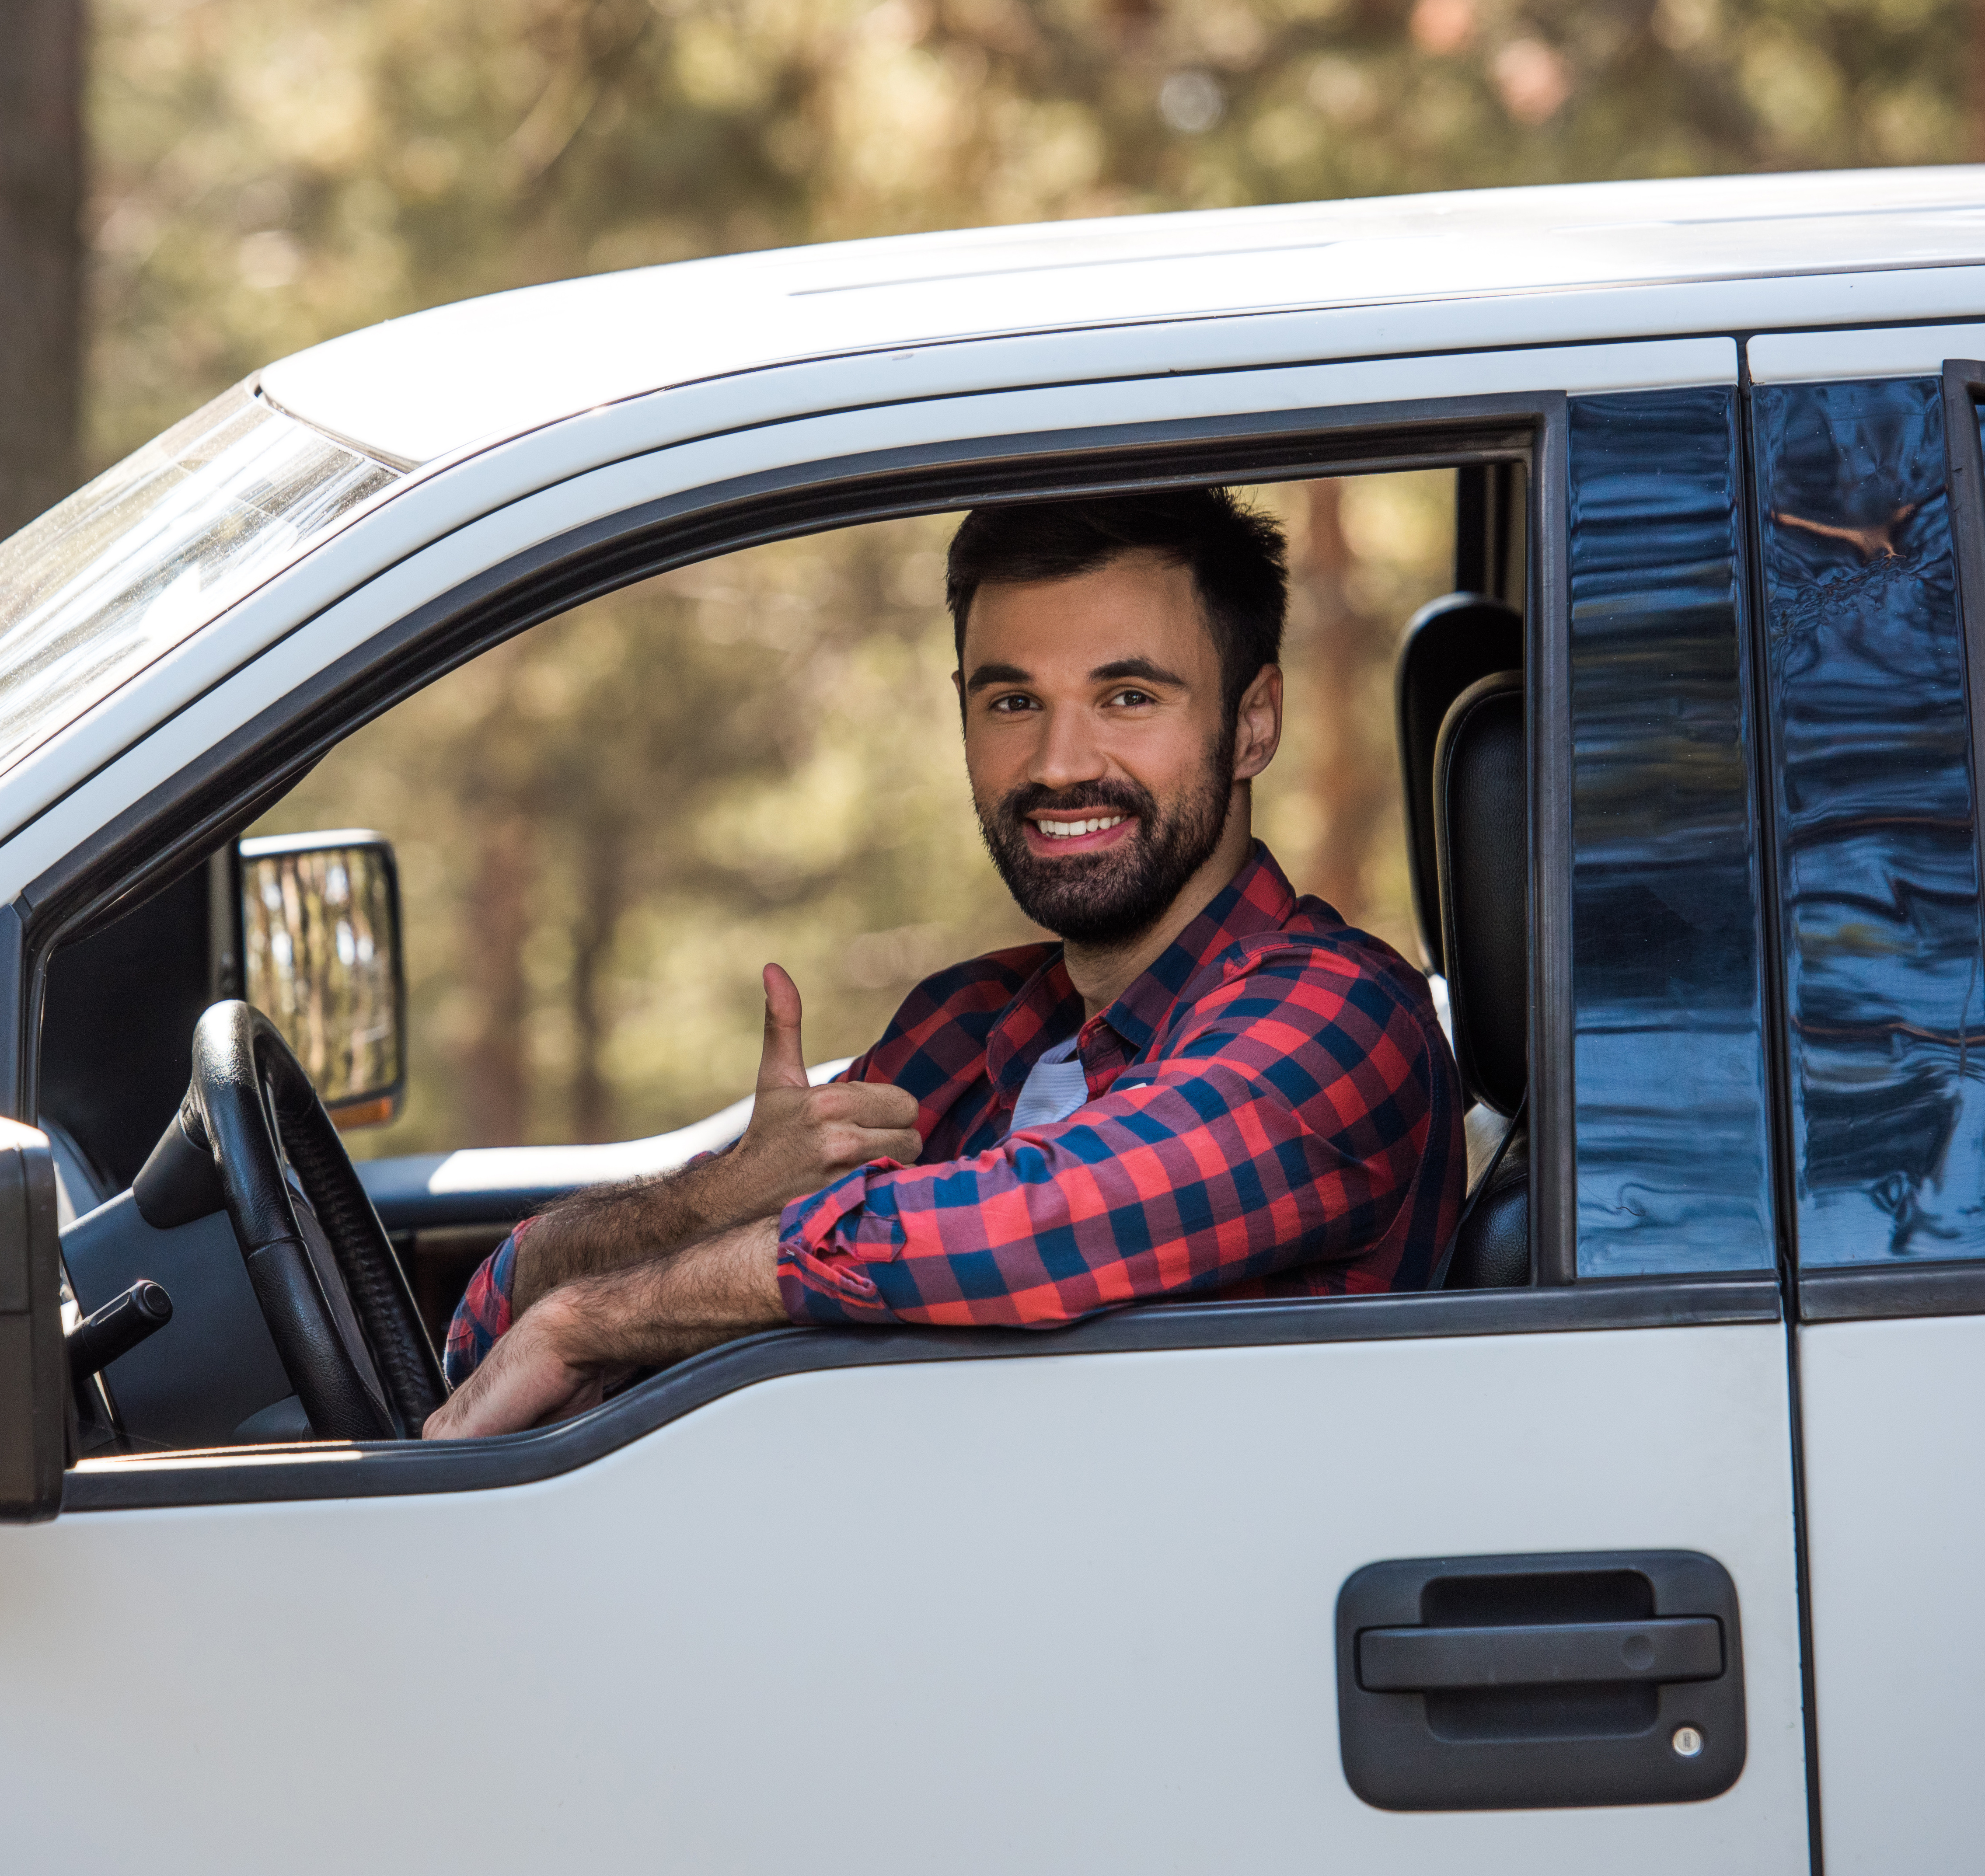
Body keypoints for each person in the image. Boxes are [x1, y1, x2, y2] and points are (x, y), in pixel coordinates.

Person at [422, 487, 1465, 1440]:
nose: (1059, 766)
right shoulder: (974, 1022)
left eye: (1128, 698)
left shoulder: (1338, 1017)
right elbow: (487, 1327)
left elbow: (1031, 1227)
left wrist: (602, 1320)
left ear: (1252, 722)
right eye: (1012, 702)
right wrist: (722, 1196)